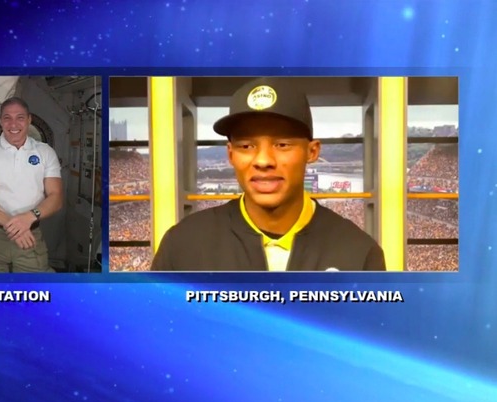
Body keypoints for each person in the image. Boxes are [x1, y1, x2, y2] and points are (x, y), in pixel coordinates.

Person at [151, 78, 386, 271]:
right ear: (230, 155)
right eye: (246, 146)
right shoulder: (183, 245)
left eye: (282, 144)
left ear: (312, 152)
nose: (263, 161)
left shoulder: (359, 253)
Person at [0, 97, 63, 272]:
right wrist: (14, 226)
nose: (13, 124)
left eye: (20, 117)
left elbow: (56, 197)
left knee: (33, 296)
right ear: (0, 122)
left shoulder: (45, 152)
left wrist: (28, 218)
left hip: (30, 237)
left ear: (29, 120)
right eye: (7, 118)